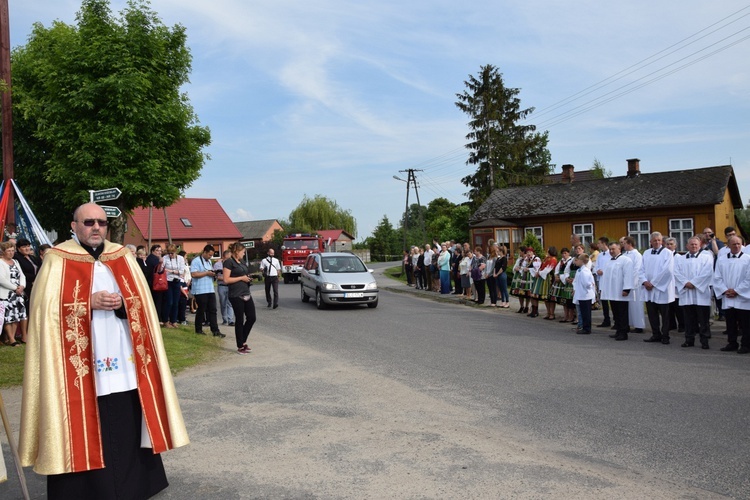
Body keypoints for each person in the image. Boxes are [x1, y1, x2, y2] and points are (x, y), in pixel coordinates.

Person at [19, 203, 189, 499]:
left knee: (126, 422)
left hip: (123, 361)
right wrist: (88, 303)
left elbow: (143, 303)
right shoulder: (57, 259)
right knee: (81, 421)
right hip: (78, 366)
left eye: (101, 222)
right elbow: (44, 312)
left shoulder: (122, 256)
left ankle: (133, 488)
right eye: (88, 222)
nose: (96, 227)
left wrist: (124, 304)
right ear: (74, 226)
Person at [713, 236, 750, 353]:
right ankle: (732, 343)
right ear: (728, 245)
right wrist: (724, 290)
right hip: (728, 296)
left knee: (745, 323)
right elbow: (717, 277)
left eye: (739, 244)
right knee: (730, 322)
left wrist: (737, 291)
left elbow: (749, 279)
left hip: (742, 297)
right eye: (734, 244)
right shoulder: (722, 259)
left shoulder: (748, 259)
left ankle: (746, 345)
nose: (737, 246)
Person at [674, 236, 713, 349]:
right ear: (687, 246)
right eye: (691, 244)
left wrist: (694, 283)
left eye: (696, 244)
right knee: (688, 319)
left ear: (699, 245)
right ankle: (689, 339)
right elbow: (676, 273)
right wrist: (686, 283)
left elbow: (707, 272)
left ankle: (704, 341)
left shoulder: (706, 257)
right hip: (686, 293)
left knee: (703, 320)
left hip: (701, 293)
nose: (694, 246)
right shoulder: (680, 259)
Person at [640, 232, 675, 345]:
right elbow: (641, 269)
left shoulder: (667, 253)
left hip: (661, 289)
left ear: (662, 241)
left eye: (659, 240)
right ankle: (655, 334)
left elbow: (667, 270)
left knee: (664, 314)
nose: (657, 242)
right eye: (655, 240)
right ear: (650, 242)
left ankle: (665, 335)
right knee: (652, 313)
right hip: (648, 288)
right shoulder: (646, 253)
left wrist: (653, 283)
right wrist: (645, 281)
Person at [224, 242, 257, 354]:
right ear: (237, 251)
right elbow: (226, 280)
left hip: (246, 292)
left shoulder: (241, 261)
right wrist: (241, 278)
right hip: (236, 294)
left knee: (252, 317)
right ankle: (240, 345)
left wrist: (247, 278)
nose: (244, 253)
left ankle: (243, 340)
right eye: (242, 252)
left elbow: (243, 275)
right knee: (239, 319)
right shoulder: (229, 262)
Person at [600, 241, 634, 341]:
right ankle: (618, 330)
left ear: (619, 249)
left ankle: (623, 332)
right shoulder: (609, 261)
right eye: (610, 249)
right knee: (615, 313)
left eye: (613, 249)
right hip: (612, 292)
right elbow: (606, 277)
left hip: (621, 292)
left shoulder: (626, 260)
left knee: (622, 313)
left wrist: (626, 289)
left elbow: (628, 275)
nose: (611, 251)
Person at [190, 244, 225, 337]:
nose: (210, 257)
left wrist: (213, 274)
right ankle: (198, 329)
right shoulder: (196, 261)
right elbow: (193, 274)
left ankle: (215, 330)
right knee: (201, 310)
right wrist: (206, 273)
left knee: (213, 310)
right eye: (209, 255)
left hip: (210, 289)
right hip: (200, 290)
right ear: (204, 252)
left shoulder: (209, 261)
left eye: (212, 255)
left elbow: (209, 272)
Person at [14, 238, 41, 344]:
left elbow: (40, 268)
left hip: (36, 286)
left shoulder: (32, 258)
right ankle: (24, 335)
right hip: (26, 286)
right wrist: (34, 278)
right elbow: (22, 273)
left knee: (33, 309)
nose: (27, 248)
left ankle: (31, 333)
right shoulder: (17, 258)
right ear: (18, 248)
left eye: (28, 246)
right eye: (24, 246)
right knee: (26, 311)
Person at [0, 242, 26, 347]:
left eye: (12, 250)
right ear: (3, 252)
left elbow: (22, 276)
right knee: (8, 316)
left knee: (16, 315)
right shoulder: (1, 262)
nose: (11, 253)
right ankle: (11, 339)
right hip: (7, 293)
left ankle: (13, 337)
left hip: (18, 293)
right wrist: (15, 288)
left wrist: (22, 286)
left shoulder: (15, 262)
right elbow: (2, 279)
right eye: (9, 251)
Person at [621, 236, 646, 333]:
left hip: (635, 285)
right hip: (625, 284)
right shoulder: (624, 255)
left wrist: (631, 284)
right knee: (628, 306)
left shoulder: (637, 255)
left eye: (624, 243)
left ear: (630, 244)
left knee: (636, 305)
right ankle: (628, 324)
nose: (623, 245)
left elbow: (637, 270)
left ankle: (639, 325)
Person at [529, 246, 557, 318]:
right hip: (543, 277)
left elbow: (548, 269)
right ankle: (548, 312)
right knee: (545, 297)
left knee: (549, 297)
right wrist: (538, 271)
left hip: (549, 278)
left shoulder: (553, 259)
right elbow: (541, 267)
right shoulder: (547, 258)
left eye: (548, 250)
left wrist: (540, 273)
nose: (547, 252)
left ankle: (552, 313)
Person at [162, 244, 186, 328]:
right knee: (169, 302)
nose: (170, 255)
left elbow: (182, 271)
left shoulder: (180, 258)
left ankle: (174, 320)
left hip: (177, 281)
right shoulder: (165, 258)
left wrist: (170, 271)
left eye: (172, 253)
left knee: (176, 302)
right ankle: (165, 320)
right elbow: (162, 269)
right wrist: (175, 271)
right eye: (169, 253)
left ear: (175, 252)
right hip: (168, 281)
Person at [572, 253, 595, 334]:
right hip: (581, 294)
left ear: (582, 261)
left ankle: (587, 328)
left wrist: (590, 285)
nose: (576, 261)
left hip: (585, 294)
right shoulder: (580, 270)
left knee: (586, 313)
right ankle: (585, 327)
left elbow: (586, 283)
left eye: (577, 260)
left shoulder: (584, 271)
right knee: (583, 312)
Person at [145, 244, 168, 325]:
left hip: (153, 282)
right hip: (155, 283)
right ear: (152, 251)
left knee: (158, 301)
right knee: (157, 301)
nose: (159, 252)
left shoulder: (153, 258)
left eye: (160, 251)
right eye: (157, 250)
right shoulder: (153, 259)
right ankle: (157, 319)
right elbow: (158, 269)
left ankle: (158, 318)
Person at [594, 237, 612, 327]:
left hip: (609, 280)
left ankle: (616, 321)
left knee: (612, 302)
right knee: (604, 302)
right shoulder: (600, 255)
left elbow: (611, 266)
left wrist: (603, 271)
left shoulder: (611, 254)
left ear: (604, 243)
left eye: (599, 243)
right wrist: (597, 271)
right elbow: (596, 266)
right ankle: (606, 319)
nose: (598, 245)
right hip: (601, 280)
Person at [214, 249, 235, 326]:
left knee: (230, 303)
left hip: (229, 285)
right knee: (223, 303)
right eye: (226, 258)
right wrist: (226, 278)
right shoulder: (217, 265)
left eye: (229, 258)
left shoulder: (232, 264)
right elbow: (217, 276)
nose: (228, 260)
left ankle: (230, 320)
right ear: (223, 257)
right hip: (221, 286)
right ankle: (224, 318)